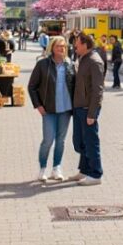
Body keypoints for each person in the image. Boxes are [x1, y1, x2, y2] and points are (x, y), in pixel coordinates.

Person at [28, 36, 76, 181]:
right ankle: (42, 169)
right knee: (48, 140)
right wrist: (38, 105)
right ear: (52, 48)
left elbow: (75, 86)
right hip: (48, 109)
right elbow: (32, 87)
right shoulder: (43, 64)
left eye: (63, 46)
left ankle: (56, 168)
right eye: (58, 46)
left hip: (66, 110)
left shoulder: (70, 64)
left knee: (60, 140)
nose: (61, 49)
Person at [69, 33, 105, 186]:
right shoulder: (82, 58)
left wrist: (92, 113)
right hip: (79, 107)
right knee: (79, 142)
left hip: (87, 108)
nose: (74, 45)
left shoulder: (94, 61)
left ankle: (95, 173)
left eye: (76, 42)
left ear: (85, 44)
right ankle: (84, 169)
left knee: (91, 141)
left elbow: (98, 90)